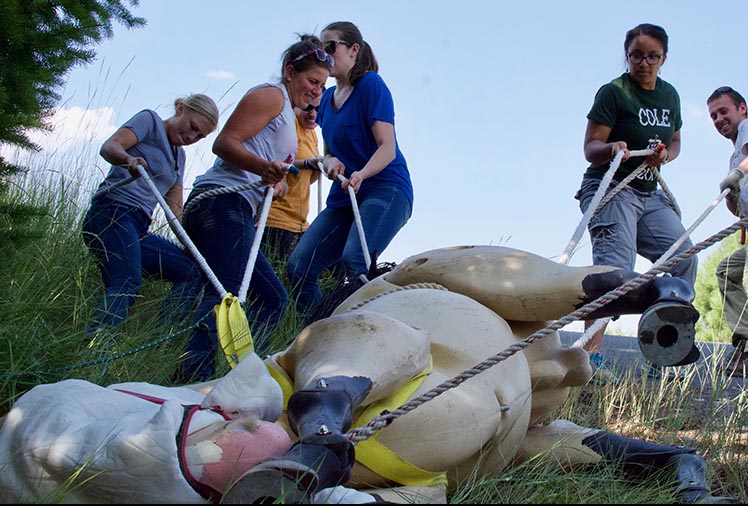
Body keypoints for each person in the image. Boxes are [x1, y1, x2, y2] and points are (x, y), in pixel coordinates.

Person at [0, 245, 723, 504]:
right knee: (385, 350)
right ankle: (317, 439)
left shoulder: (525, 394)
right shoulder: (417, 296)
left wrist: (682, 463)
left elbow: (584, 445)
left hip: (418, 430)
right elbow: (528, 284)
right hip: (366, 391)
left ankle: (315, 448)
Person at [177, 35, 333, 382]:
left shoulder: (288, 115)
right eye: (312, 81)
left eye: (322, 86)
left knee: (272, 298)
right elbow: (224, 143)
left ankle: (239, 375)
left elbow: (257, 158)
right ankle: (193, 375)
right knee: (228, 290)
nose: (316, 92)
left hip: (237, 205)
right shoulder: (271, 95)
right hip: (220, 202)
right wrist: (264, 168)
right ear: (290, 72)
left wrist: (271, 182)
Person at [573, 23, 697, 380]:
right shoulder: (613, 93)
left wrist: (666, 156)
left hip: (649, 192)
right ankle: (587, 361)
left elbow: (675, 141)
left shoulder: (670, 96)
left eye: (652, 56)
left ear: (664, 59)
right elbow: (590, 149)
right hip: (611, 188)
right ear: (627, 56)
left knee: (685, 257)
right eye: (636, 55)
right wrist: (612, 148)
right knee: (615, 270)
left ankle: (665, 347)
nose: (644, 63)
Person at [287, 21, 414, 321]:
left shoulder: (371, 85)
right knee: (299, 265)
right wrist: (329, 162)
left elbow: (387, 148)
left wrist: (361, 174)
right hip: (345, 195)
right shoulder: (327, 102)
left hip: (386, 188)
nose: (325, 55)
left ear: (353, 50)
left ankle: (374, 333)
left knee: (355, 259)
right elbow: (331, 152)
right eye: (321, 49)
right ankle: (321, 329)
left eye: (331, 47)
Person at [81, 94, 218, 338]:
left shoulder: (179, 158)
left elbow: (175, 211)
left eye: (199, 137)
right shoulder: (150, 121)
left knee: (192, 271)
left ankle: (156, 340)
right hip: (111, 213)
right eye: (192, 127)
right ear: (180, 108)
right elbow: (109, 146)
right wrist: (128, 160)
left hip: (138, 228)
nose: (191, 137)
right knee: (126, 281)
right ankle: (94, 343)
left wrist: (191, 245)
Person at [707, 86, 748, 377]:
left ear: (742, 109)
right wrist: (733, 196)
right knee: (728, 271)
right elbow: (737, 211)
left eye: (724, 111)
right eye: (713, 116)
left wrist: (737, 174)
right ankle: (745, 338)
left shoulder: (747, 128)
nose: (719, 119)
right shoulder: (734, 156)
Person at [260, 95, 322, 266]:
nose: (313, 114)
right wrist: (308, 163)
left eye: (318, 109)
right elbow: (275, 160)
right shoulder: (289, 125)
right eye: (308, 108)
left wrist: (321, 164)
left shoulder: (313, 135)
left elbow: (306, 180)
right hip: (276, 217)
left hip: (299, 221)